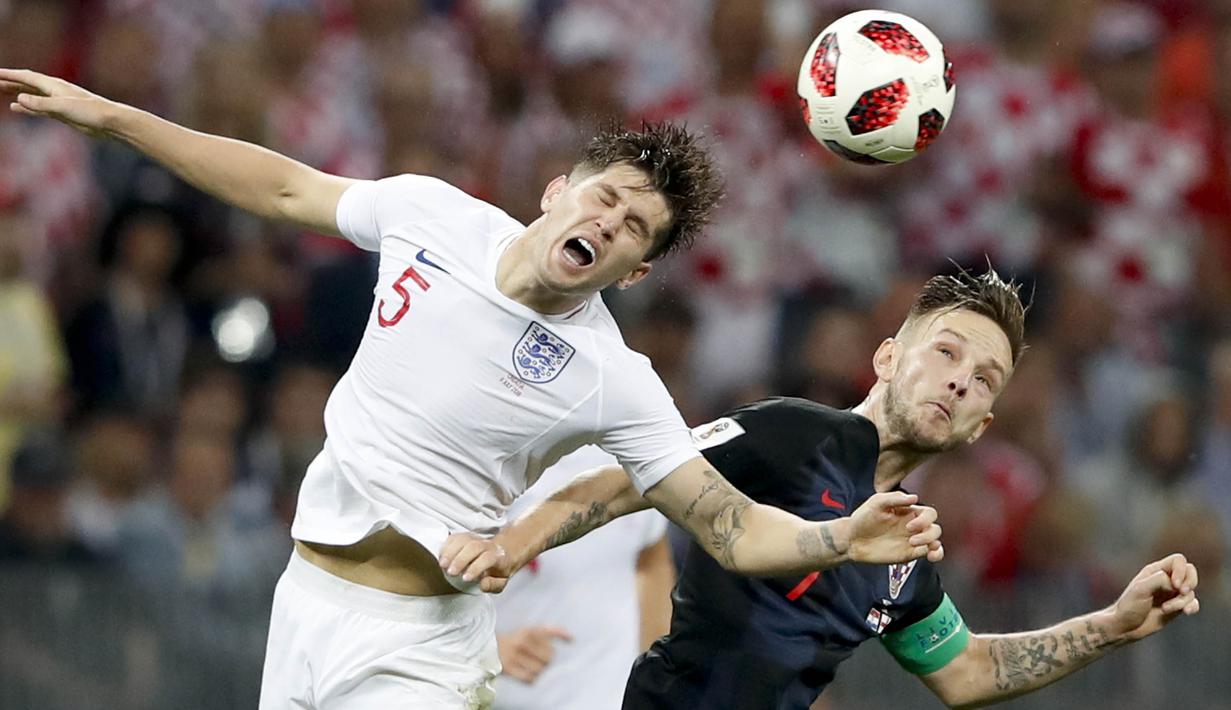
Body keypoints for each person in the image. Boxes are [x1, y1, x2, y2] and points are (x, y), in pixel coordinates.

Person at [0, 68, 944, 709]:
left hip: (417, 647)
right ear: (556, 191)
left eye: (634, 230)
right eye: (604, 197)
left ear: (634, 274)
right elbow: (284, 189)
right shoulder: (431, 213)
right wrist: (111, 117)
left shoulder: (611, 376)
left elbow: (729, 526)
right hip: (303, 603)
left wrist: (839, 537)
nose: (609, 223)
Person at [452, 267, 1202, 709]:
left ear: (982, 426)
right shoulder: (791, 433)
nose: (959, 381)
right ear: (886, 358)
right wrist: (508, 547)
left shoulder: (904, 552)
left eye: (983, 380)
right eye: (946, 352)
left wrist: (1113, 625)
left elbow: (968, 672)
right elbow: (628, 482)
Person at [492, 446, 675, 710]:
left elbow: (651, 561)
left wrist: (657, 681)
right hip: (507, 698)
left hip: (614, 699)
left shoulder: (637, 452)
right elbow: (435, 572)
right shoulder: (493, 460)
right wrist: (488, 648)